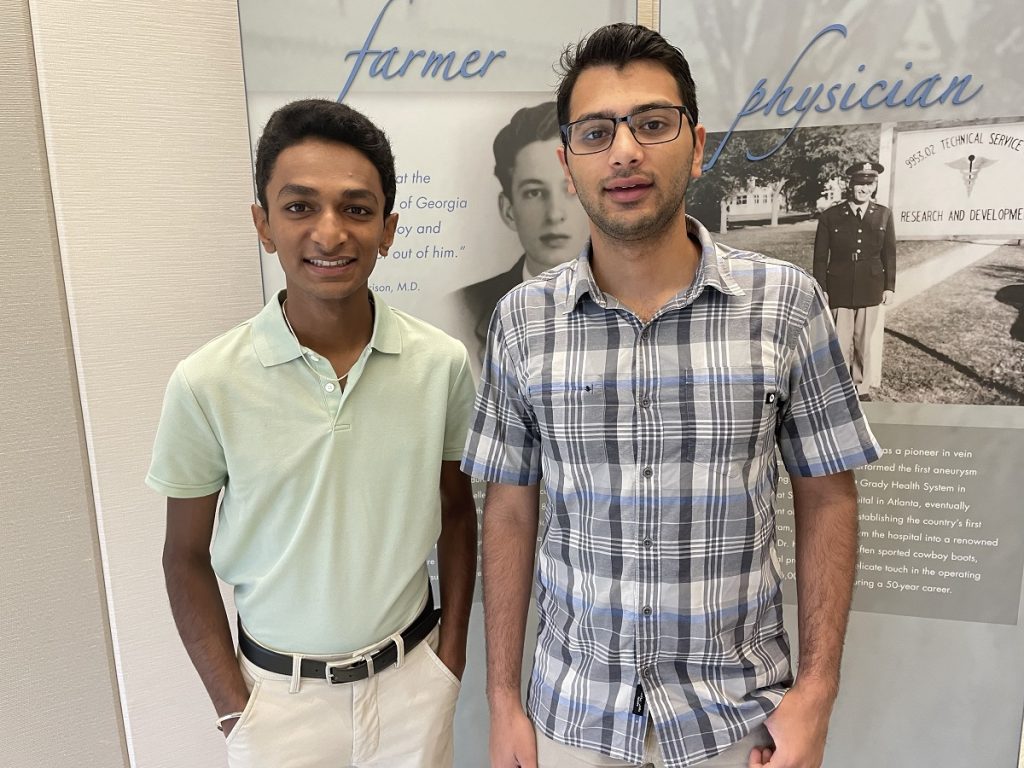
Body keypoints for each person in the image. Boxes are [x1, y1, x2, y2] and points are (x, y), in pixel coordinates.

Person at [461, 23, 881, 768]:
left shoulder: (786, 305)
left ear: (695, 143)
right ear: (569, 162)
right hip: (572, 718)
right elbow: (510, 509)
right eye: (596, 132)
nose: (624, 150)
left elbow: (827, 496)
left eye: (652, 123)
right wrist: (502, 702)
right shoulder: (522, 323)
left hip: (736, 724)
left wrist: (816, 693)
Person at [147, 98, 477, 768]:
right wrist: (234, 707)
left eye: (357, 209)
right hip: (277, 706)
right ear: (263, 225)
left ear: (388, 229)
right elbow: (183, 557)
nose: (330, 233)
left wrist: (450, 660)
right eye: (300, 207)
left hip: (413, 685)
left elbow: (457, 510)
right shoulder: (205, 382)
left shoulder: (441, 364)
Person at [452, 101, 589, 371]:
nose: (554, 214)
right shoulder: (460, 310)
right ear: (509, 210)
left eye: (570, 189)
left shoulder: (634, 297)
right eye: (534, 192)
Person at [813, 161, 897, 401]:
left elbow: (889, 253)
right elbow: (820, 257)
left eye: (869, 183)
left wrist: (889, 286)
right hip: (839, 286)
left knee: (863, 342)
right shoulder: (831, 215)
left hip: (870, 286)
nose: (864, 188)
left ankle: (860, 387)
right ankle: (837, 387)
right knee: (838, 341)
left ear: (874, 186)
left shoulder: (883, 214)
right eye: (860, 183)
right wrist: (823, 287)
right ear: (850, 184)